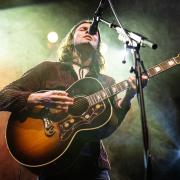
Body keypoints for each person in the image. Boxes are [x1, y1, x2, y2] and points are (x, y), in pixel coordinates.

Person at [0, 20, 147, 180]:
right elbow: (4, 96)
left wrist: (129, 95)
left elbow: (111, 124)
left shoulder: (107, 82)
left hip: (93, 167)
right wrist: (38, 98)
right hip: (53, 162)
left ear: (98, 45)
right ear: (71, 39)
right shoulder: (48, 69)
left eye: (94, 32)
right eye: (83, 29)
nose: (89, 31)